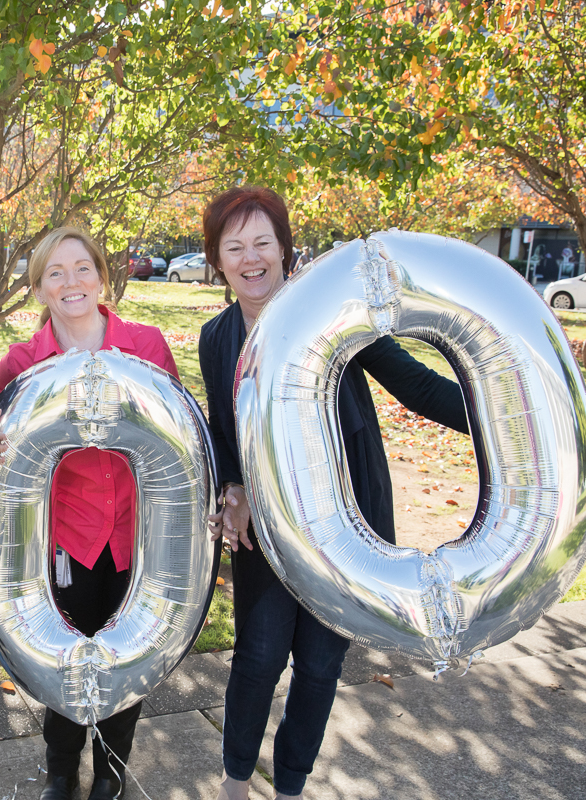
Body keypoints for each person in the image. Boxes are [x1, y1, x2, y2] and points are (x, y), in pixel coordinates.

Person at [197, 187, 470, 800]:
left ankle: (290, 784)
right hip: (267, 524)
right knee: (259, 657)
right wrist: (232, 486)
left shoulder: (334, 314)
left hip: (350, 522)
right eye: (234, 247)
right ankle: (236, 781)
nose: (251, 258)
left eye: (262, 243)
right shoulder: (217, 337)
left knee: (320, 665)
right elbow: (224, 427)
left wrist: (504, 417)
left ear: (285, 249)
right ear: (218, 259)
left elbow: (418, 387)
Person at [0, 227, 178, 800]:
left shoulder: (145, 345)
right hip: (65, 538)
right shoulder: (22, 360)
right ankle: (61, 771)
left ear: (101, 275)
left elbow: (179, 435)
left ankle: (112, 773)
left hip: (138, 539)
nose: (71, 283)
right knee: (63, 658)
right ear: (39, 289)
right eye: (55, 273)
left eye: (82, 269)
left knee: (127, 656)